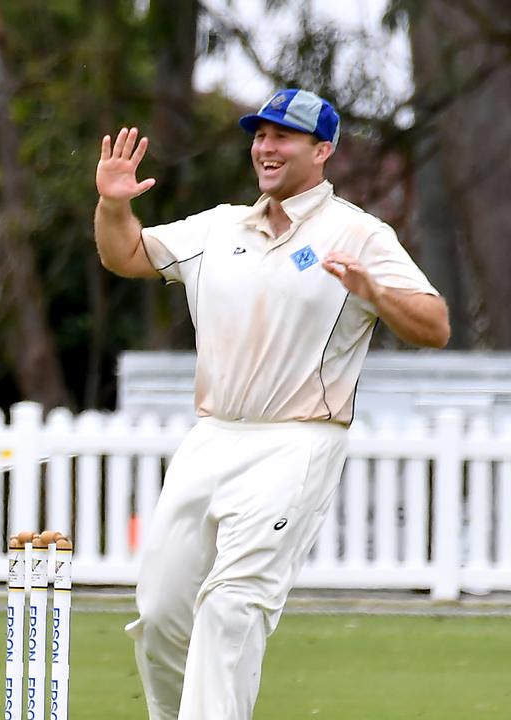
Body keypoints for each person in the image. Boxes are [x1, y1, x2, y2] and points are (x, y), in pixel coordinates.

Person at [93, 88, 450, 719]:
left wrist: (375, 292)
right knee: (160, 613)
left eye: (282, 136)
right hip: (212, 438)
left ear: (323, 150)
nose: (266, 147)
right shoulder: (218, 226)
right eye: (259, 135)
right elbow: (124, 253)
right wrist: (112, 205)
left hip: (297, 441)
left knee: (231, 607)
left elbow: (434, 324)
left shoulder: (359, 234)